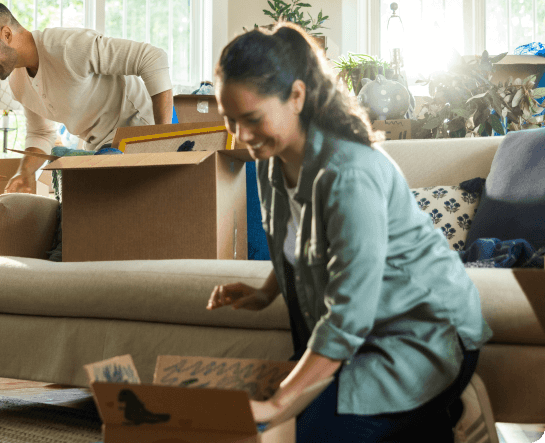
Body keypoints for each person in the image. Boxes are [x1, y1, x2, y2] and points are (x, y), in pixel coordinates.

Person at [206, 24, 492, 441]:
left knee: (306, 430)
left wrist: (279, 403)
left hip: (424, 334)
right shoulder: (270, 162)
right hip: (362, 331)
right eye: (230, 120)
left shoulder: (350, 175)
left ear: (297, 96)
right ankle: (425, 422)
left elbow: (347, 314)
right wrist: (265, 292)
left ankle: (443, 408)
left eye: (252, 119)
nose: (241, 136)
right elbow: (300, 242)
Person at [0, 0, 174, 194]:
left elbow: (152, 58)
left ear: (7, 34)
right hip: (101, 150)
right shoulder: (18, 83)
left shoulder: (69, 47)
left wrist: (163, 139)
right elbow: (41, 132)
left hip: (141, 132)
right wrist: (24, 173)